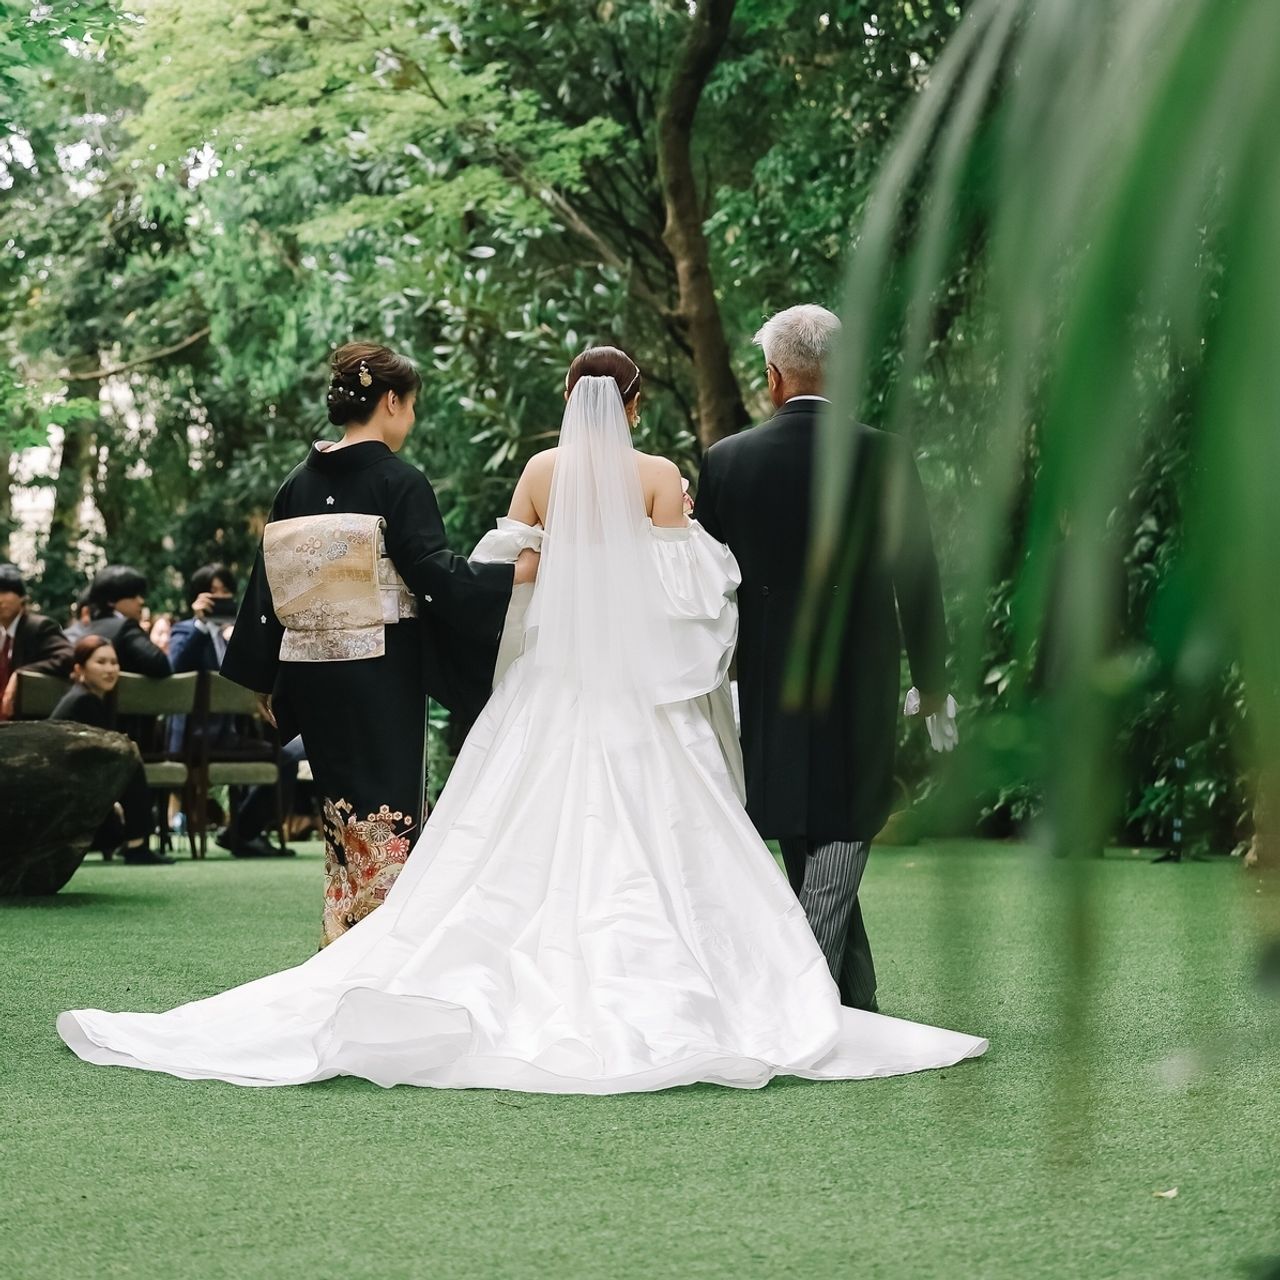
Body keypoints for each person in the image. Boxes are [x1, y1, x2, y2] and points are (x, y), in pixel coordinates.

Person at [56, 350, 986, 1092]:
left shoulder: (540, 471)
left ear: (567, 401)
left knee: (498, 835)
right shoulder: (660, 475)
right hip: (636, 696)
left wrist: (532, 592)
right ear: (631, 405)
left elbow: (506, 571)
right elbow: (693, 593)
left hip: (548, 685)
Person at [219, 341, 532, 943]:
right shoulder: (398, 480)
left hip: (311, 670)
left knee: (341, 811)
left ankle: (344, 933)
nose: (409, 419)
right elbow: (430, 571)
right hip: (380, 670)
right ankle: (384, 946)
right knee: (389, 805)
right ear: (391, 401)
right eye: (410, 406)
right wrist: (511, 575)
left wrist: (264, 675)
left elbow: (269, 583)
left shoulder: (296, 483)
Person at [695, 305, 957, 1012]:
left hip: (768, 675)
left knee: (804, 819)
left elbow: (704, 587)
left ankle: (847, 999)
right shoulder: (885, 455)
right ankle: (810, 1003)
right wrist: (933, 683)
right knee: (846, 813)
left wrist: (706, 682)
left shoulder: (726, 461)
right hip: (861, 673)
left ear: (773, 378)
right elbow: (918, 578)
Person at [170, 562, 300, 858]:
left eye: (225, 591)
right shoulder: (185, 629)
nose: (219, 597)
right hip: (195, 735)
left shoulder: (237, 634)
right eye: (211, 592)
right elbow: (176, 669)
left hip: (232, 733)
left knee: (287, 757)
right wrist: (201, 626)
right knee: (284, 757)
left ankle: (243, 831)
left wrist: (242, 645)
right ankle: (242, 833)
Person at [49, 635, 173, 865]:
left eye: (114, 663)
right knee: (129, 761)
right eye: (101, 662)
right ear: (79, 669)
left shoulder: (88, 698)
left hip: (74, 792)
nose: (110, 669)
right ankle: (137, 846)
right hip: (64, 799)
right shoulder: (83, 701)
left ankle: (131, 841)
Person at [0, 563, 74, 720]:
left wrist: (20, 674)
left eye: (5, 592)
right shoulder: (2, 633)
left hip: (29, 719)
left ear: (22, 597)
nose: (0, 599)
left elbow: (67, 657)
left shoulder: (39, 627)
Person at [84, 566, 172, 678]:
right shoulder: (126, 627)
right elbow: (159, 664)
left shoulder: (86, 628)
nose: (141, 601)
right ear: (111, 600)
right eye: (133, 596)